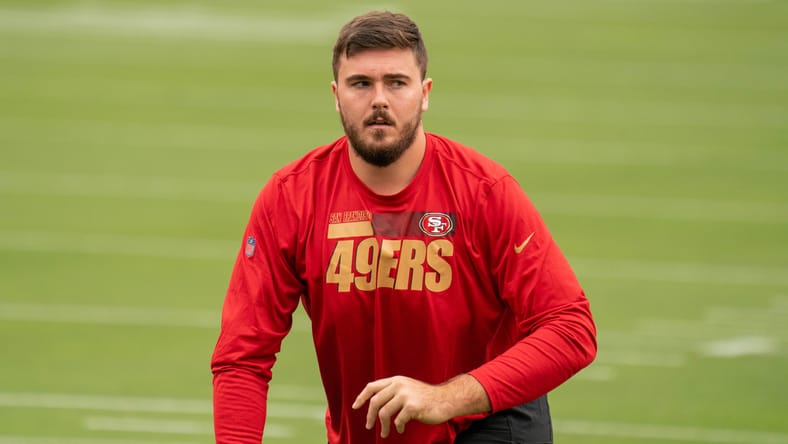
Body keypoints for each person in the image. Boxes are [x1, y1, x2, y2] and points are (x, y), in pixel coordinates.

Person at [211, 10, 596, 444]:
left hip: (484, 417)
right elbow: (242, 357)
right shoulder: (291, 197)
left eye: (396, 82)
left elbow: (571, 328)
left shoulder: (485, 192)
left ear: (424, 93)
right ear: (336, 96)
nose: (379, 100)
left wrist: (446, 398)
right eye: (361, 84)